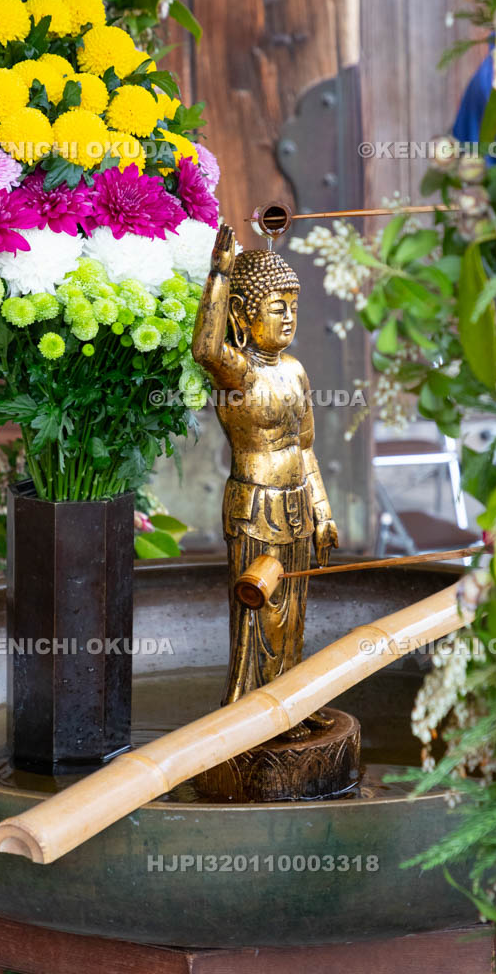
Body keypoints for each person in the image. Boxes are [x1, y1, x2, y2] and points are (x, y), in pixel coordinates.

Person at [192, 224, 338, 737]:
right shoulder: (240, 374)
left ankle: (290, 700)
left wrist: (322, 511)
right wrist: (219, 276)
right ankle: (256, 709)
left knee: (293, 614)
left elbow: (305, 445)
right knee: (260, 612)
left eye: (293, 306)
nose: (289, 317)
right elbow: (206, 351)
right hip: (255, 506)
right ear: (242, 316)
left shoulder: (295, 371)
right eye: (277, 307)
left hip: (297, 501)